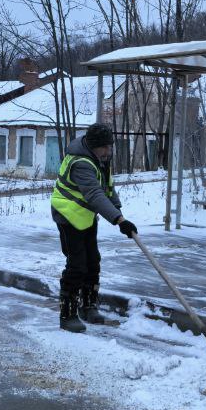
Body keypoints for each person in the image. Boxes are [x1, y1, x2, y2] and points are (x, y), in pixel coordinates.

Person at [49, 122, 136, 333]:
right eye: (104, 147)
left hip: (85, 216)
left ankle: (88, 306)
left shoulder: (99, 159)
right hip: (67, 214)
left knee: (93, 261)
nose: (109, 151)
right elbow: (94, 194)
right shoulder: (81, 163)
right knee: (77, 265)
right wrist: (118, 220)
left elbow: (106, 187)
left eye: (110, 146)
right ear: (93, 145)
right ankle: (67, 314)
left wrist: (118, 210)